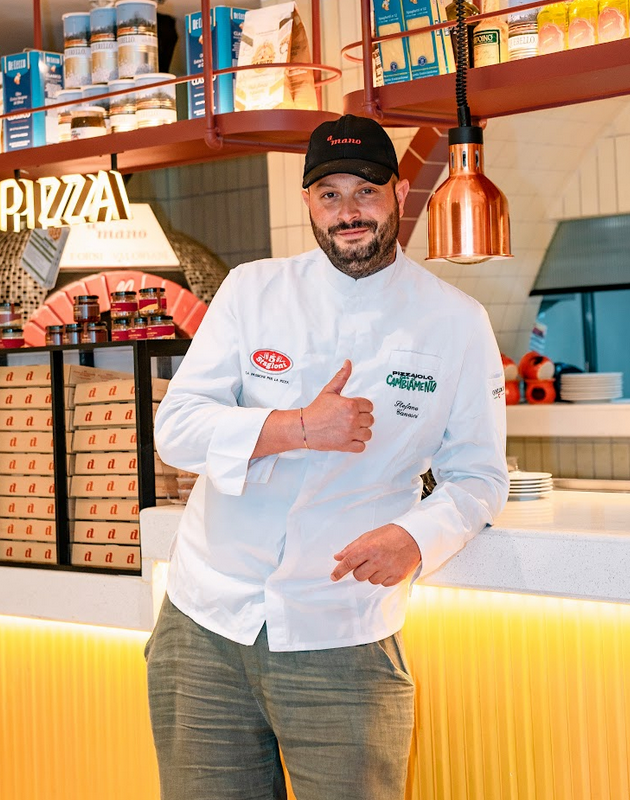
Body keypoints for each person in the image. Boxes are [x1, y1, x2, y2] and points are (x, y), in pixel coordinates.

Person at [147, 113, 509, 800]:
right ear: (308, 202)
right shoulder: (252, 292)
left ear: (398, 194)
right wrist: (297, 428)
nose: (349, 212)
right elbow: (179, 428)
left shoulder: (456, 322)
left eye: (366, 190)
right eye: (329, 194)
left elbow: (480, 475)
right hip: (205, 625)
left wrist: (416, 537)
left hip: (341, 632)